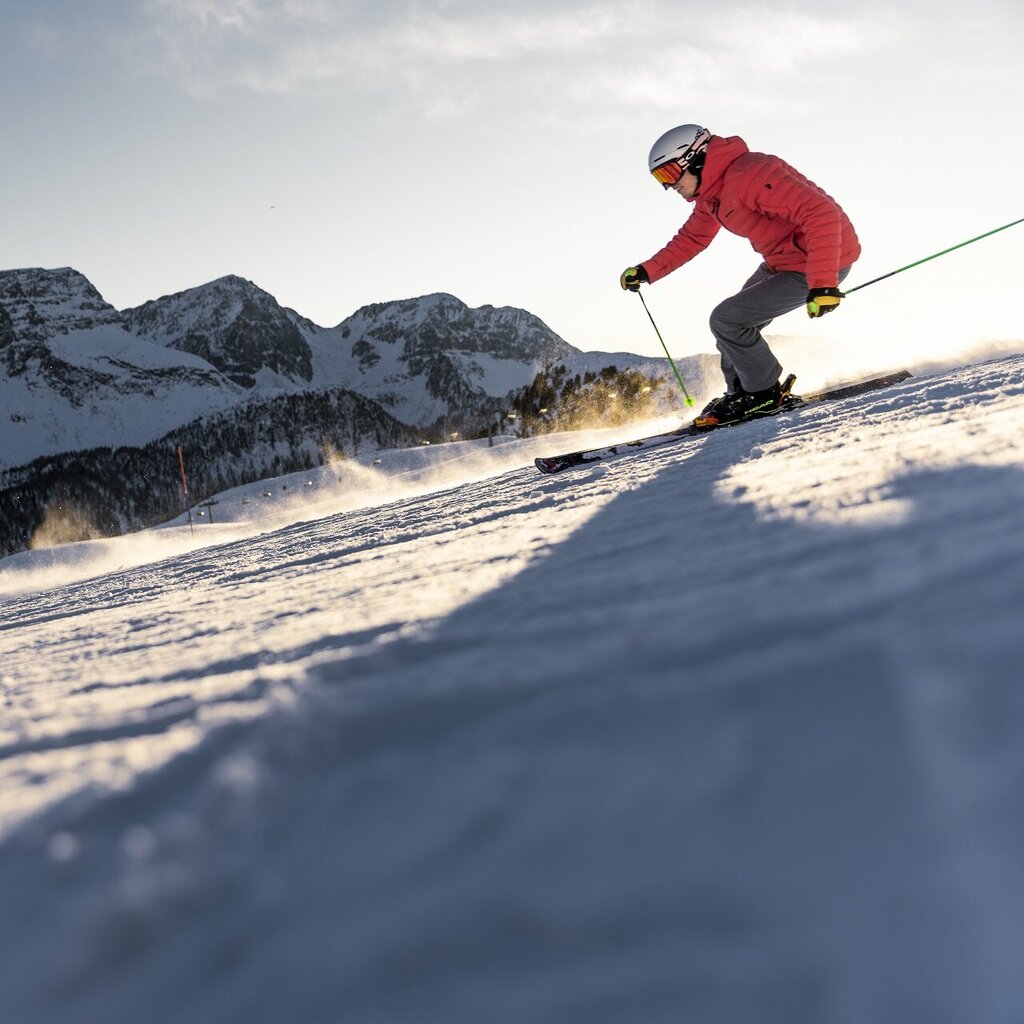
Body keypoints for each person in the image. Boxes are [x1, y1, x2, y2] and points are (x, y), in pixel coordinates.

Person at [620, 124, 861, 428]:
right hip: (785, 261)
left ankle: (763, 393)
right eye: (660, 179)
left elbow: (820, 212)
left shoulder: (752, 174)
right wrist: (647, 270)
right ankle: (742, 393)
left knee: (727, 319)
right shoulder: (712, 195)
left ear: (696, 158)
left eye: (669, 174)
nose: (669, 186)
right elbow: (692, 239)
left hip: (819, 261)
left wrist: (823, 281)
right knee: (730, 327)